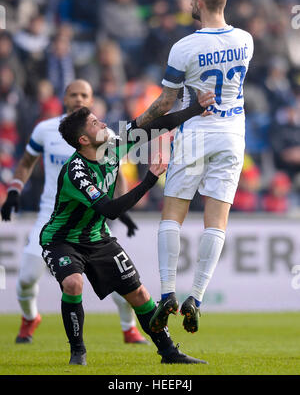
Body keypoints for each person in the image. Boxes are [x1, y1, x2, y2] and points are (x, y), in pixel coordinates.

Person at [39, 92, 214, 365]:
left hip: (97, 237)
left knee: (141, 295)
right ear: (84, 140)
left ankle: (169, 353)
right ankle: (78, 352)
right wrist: (148, 181)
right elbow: (110, 210)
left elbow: (155, 127)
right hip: (62, 241)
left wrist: (194, 109)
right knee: (73, 284)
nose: (103, 124)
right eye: (95, 124)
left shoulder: (111, 146)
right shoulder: (76, 171)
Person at [135, 0, 254, 334]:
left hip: (196, 135)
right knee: (216, 221)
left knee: (172, 214)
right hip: (232, 136)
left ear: (199, 3)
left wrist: (136, 126)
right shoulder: (246, 40)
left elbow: (166, 102)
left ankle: (168, 293)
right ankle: (196, 298)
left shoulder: (184, 47)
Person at [1, 79, 148, 345]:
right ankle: (30, 318)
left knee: (122, 280)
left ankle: (129, 328)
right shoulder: (45, 130)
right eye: (74, 94)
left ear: (91, 100)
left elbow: (115, 172)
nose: (79, 99)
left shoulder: (103, 135)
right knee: (25, 279)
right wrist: (14, 191)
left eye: (85, 95)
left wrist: (122, 208)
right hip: (52, 217)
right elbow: (25, 163)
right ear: (64, 98)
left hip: (93, 218)